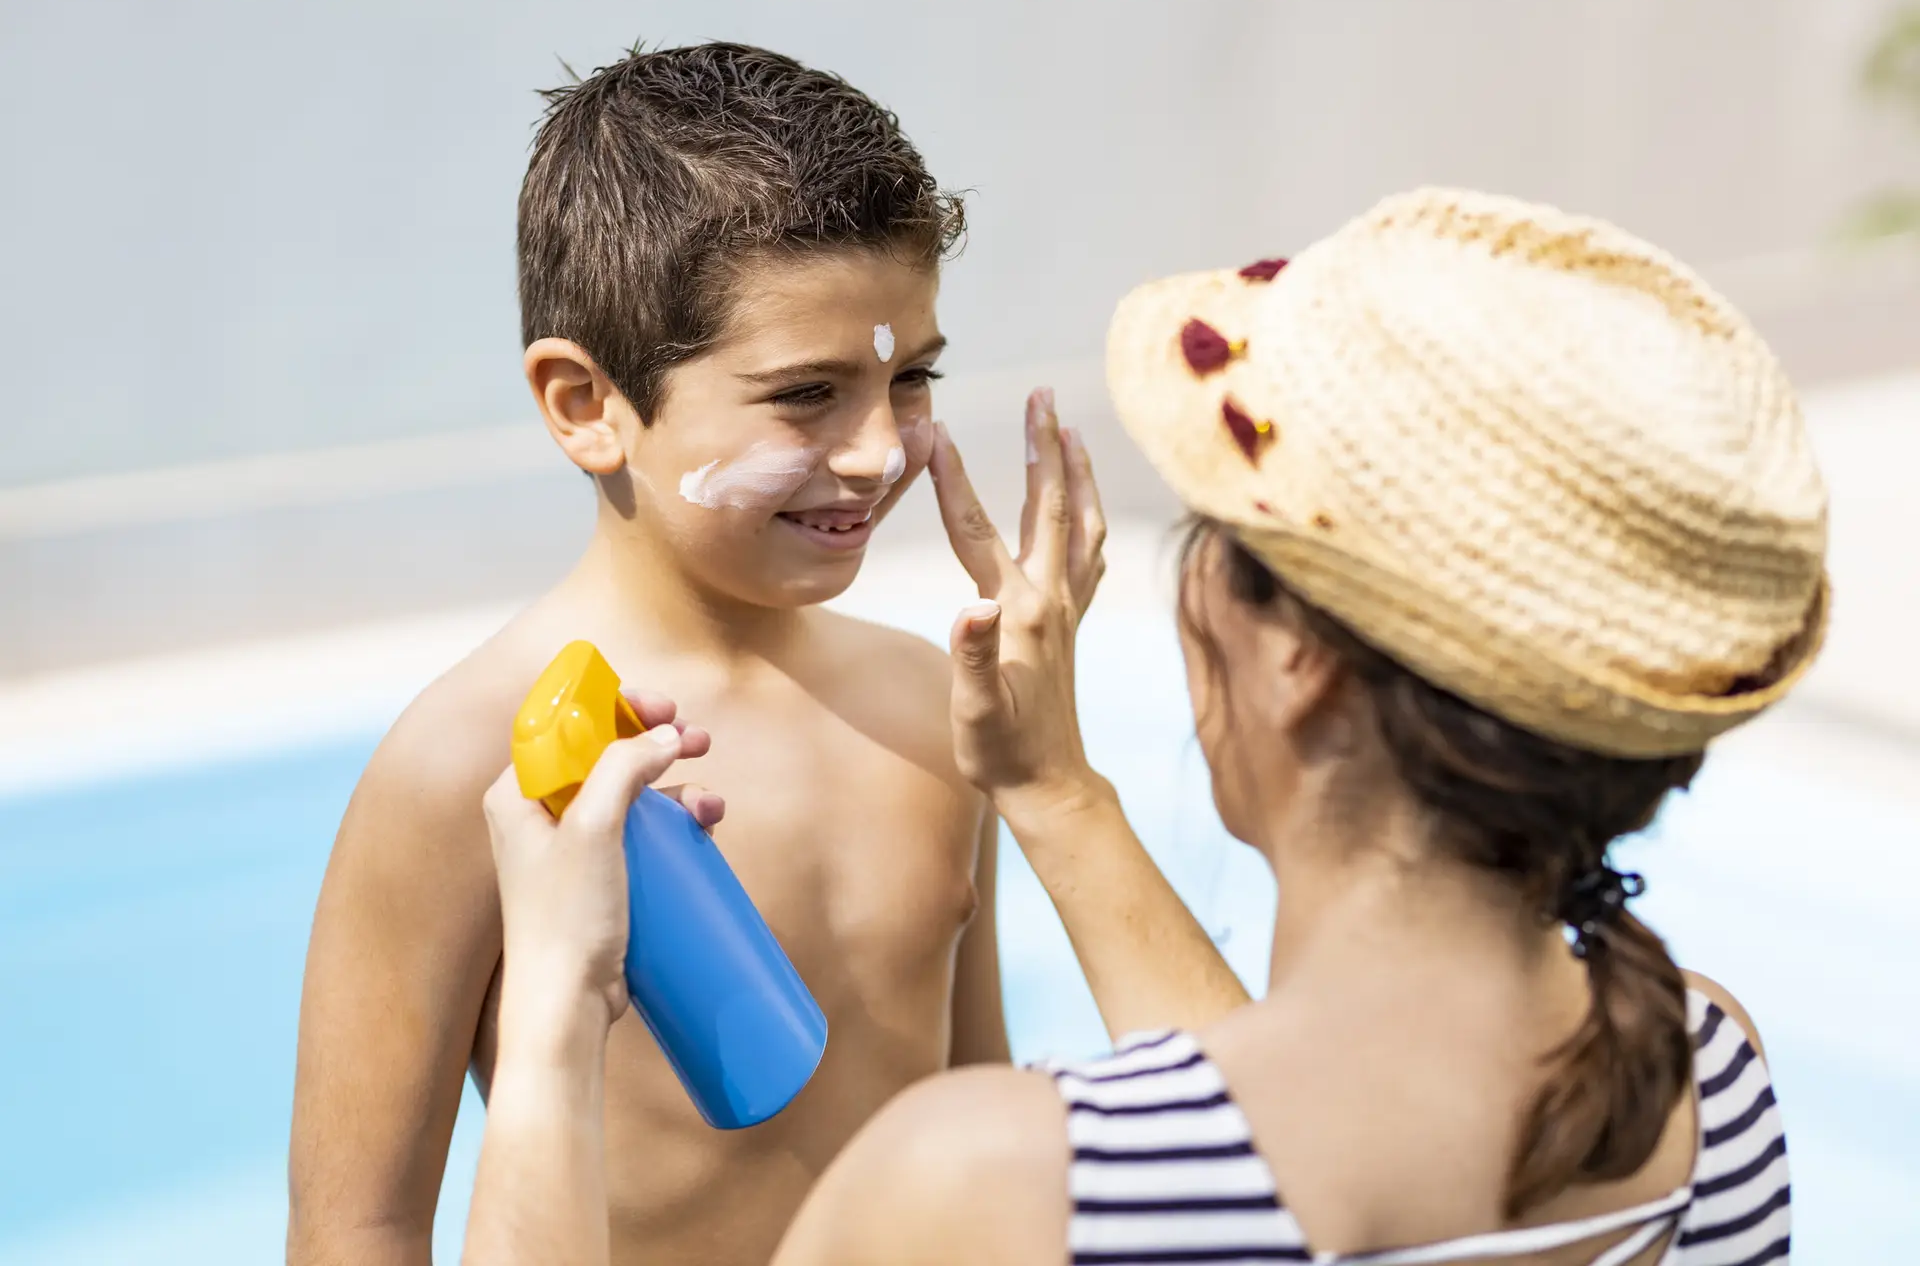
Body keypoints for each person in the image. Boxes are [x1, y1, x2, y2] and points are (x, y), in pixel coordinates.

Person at [469, 187, 1816, 1266]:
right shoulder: (1714, 1087)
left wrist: (544, 1025)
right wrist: (1053, 789)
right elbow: (1253, 1135)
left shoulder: (992, 1191)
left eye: (1214, 539)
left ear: (1298, 660)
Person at [287, 42, 1219, 1266]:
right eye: (806, 393)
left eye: (913, 376)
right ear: (585, 404)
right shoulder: (466, 766)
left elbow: (981, 1108)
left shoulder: (934, 704)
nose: (880, 450)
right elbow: (357, 1227)